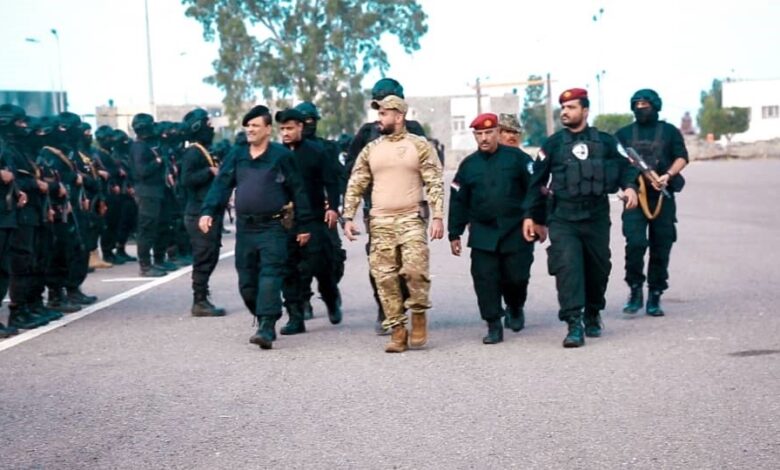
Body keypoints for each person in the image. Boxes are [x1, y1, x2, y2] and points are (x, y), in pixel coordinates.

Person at [522, 88, 639, 348]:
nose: (565, 112)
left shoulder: (606, 141)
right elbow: (536, 182)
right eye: (563, 107)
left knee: (598, 269)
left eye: (571, 107)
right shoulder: (552, 144)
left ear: (585, 111)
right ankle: (574, 323)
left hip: (596, 215)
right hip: (563, 216)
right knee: (567, 267)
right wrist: (532, 216)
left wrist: (630, 187)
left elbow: (627, 167)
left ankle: (593, 312)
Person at [199, 105, 313, 350]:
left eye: (255, 125)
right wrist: (208, 211)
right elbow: (222, 185)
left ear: (268, 129)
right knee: (247, 283)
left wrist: (303, 225)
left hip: (273, 226)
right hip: (246, 228)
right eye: (248, 126)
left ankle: (266, 327)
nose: (250, 129)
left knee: (270, 275)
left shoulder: (281, 156)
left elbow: (298, 190)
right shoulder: (237, 155)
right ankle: (262, 316)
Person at [342, 94, 444, 353]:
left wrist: (438, 216)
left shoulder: (419, 146)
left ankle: (418, 314)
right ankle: (398, 330)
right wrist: (348, 216)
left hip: (411, 218)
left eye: (384, 113)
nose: (380, 118)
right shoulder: (371, 149)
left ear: (399, 116)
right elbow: (356, 182)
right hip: (380, 222)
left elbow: (434, 181)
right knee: (385, 278)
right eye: (379, 113)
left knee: (415, 270)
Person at [448, 113, 538, 344]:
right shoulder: (468, 165)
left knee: (517, 277)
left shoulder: (518, 159)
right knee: (485, 280)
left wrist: (536, 219)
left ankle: (515, 306)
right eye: (479, 134)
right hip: (483, 232)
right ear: (474, 136)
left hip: (515, 230)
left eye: (489, 133)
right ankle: (493, 324)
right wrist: (454, 232)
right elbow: (458, 199)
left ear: (498, 132)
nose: (484, 138)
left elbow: (534, 190)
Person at [615, 89, 688, 317]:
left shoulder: (669, 131)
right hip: (634, 196)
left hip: (662, 195)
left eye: (645, 104)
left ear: (655, 106)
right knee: (635, 244)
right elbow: (617, 163)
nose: (641, 108)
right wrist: (627, 186)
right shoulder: (624, 134)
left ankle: (655, 294)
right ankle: (635, 289)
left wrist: (668, 175)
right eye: (637, 104)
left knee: (661, 246)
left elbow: (682, 157)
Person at [275, 108, 342, 334]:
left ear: (300, 127)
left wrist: (332, 207)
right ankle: (296, 317)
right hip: (286, 220)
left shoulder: (316, 152)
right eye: (282, 129)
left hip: (314, 217)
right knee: (289, 269)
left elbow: (331, 182)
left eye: (290, 128)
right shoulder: (276, 154)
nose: (285, 133)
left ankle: (331, 299)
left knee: (320, 266)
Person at [293, 101, 347, 321]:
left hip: (322, 213)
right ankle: (303, 300)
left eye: (311, 120)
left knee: (332, 258)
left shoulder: (326, 148)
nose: (308, 124)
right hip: (297, 214)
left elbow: (338, 176)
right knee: (300, 263)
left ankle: (330, 294)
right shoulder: (286, 150)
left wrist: (334, 203)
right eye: (304, 120)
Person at [179, 108, 226, 317]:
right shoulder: (193, 152)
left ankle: (202, 297)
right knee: (204, 256)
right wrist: (208, 171)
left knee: (211, 255)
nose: (211, 127)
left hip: (209, 211)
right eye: (207, 124)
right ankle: (199, 300)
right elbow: (186, 179)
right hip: (197, 212)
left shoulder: (204, 150)